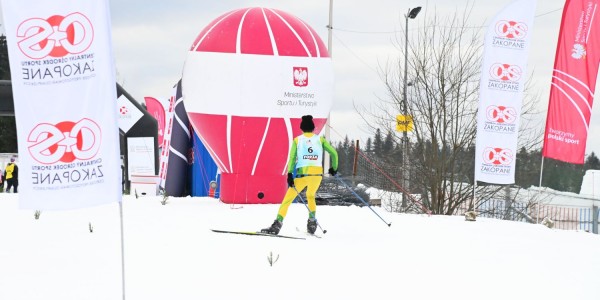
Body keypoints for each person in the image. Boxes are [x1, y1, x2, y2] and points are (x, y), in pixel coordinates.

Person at [262, 115, 338, 235]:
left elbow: (292, 158)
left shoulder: (298, 140)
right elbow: (333, 153)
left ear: (302, 128)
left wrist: (290, 174)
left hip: (302, 176)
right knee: (310, 195)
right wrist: (334, 168)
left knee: (288, 199)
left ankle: (277, 224)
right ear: (313, 128)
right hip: (317, 175)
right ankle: (312, 222)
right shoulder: (320, 139)